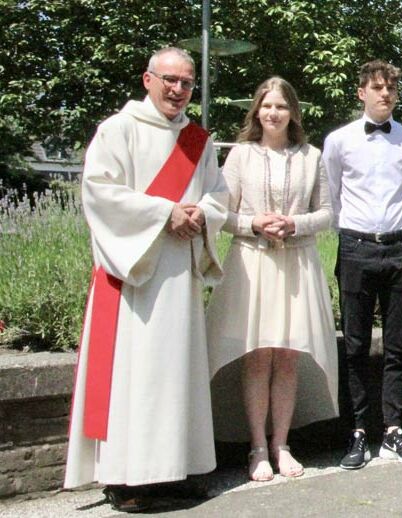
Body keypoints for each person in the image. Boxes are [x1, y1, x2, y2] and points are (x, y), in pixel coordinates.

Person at [65, 47, 227, 512]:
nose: (178, 90)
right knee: (135, 376)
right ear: (148, 80)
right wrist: (163, 212)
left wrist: (202, 211)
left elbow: (219, 194)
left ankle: (178, 469)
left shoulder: (198, 140)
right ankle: (128, 477)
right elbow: (100, 192)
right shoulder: (117, 130)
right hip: (133, 275)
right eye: (170, 80)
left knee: (177, 374)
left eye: (187, 83)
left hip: (179, 274)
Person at [206, 76, 338, 481]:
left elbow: (329, 212)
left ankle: (282, 444)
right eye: (266, 105)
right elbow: (221, 213)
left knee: (288, 355)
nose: (273, 113)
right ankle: (257, 448)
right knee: (258, 353)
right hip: (253, 264)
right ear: (257, 111)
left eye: (281, 106)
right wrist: (254, 222)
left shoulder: (311, 156)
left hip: (297, 264)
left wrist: (293, 223)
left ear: (293, 112)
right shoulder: (241, 156)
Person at [322, 60, 402, 469]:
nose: (384, 94)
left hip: (401, 249)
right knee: (355, 346)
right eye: (377, 87)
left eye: (391, 89)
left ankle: (395, 431)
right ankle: (358, 431)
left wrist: (398, 230)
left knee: (398, 344)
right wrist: (357, 233)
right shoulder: (338, 141)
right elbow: (332, 196)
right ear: (361, 92)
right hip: (355, 248)